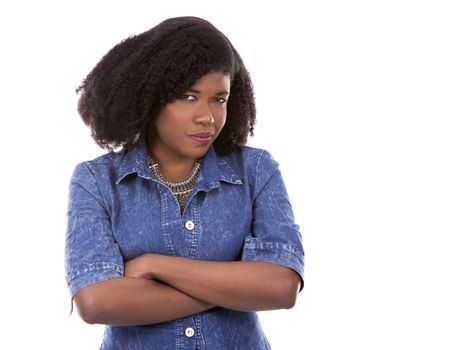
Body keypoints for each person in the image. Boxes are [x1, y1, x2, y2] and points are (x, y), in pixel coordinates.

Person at [65, 16, 305, 349]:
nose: (207, 116)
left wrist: (153, 265)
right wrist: (236, 287)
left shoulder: (255, 170)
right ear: (150, 98)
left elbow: (281, 287)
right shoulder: (97, 180)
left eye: (219, 99)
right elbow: (95, 303)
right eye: (189, 97)